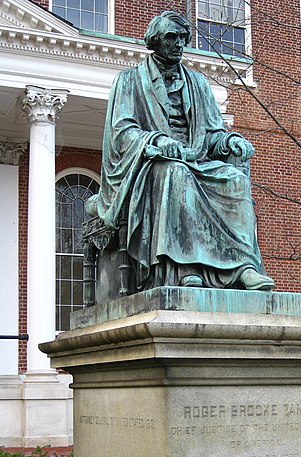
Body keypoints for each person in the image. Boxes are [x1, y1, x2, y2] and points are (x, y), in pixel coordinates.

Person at [86, 11, 274, 291]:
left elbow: (212, 135)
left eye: (183, 38)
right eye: (171, 38)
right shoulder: (130, 81)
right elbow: (122, 133)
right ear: (155, 41)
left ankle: (243, 267)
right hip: (152, 165)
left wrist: (228, 142)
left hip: (196, 159)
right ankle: (183, 269)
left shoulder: (198, 84)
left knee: (235, 179)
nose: (179, 44)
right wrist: (158, 142)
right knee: (177, 173)